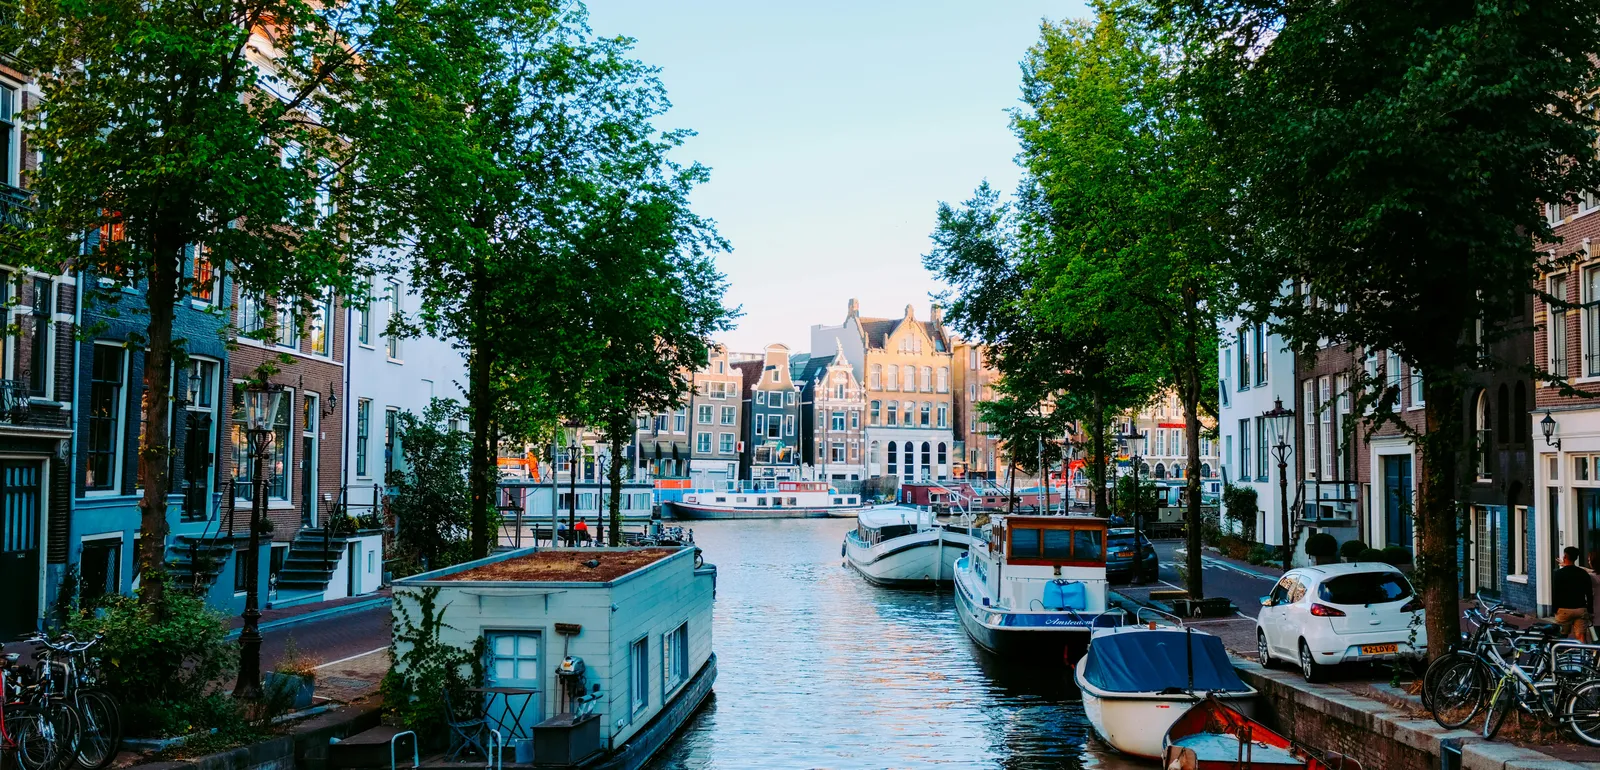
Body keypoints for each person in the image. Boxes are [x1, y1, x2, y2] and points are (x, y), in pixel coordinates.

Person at [1554, 546, 1595, 641]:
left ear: (1565, 557)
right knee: (1581, 636)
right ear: (1576, 558)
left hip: (1564, 609)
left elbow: (1556, 592)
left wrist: (1555, 609)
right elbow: (1589, 593)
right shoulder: (1583, 573)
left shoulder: (1558, 574)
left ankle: (1559, 654)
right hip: (1580, 609)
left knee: (1561, 636)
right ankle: (1583, 654)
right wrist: (1590, 610)